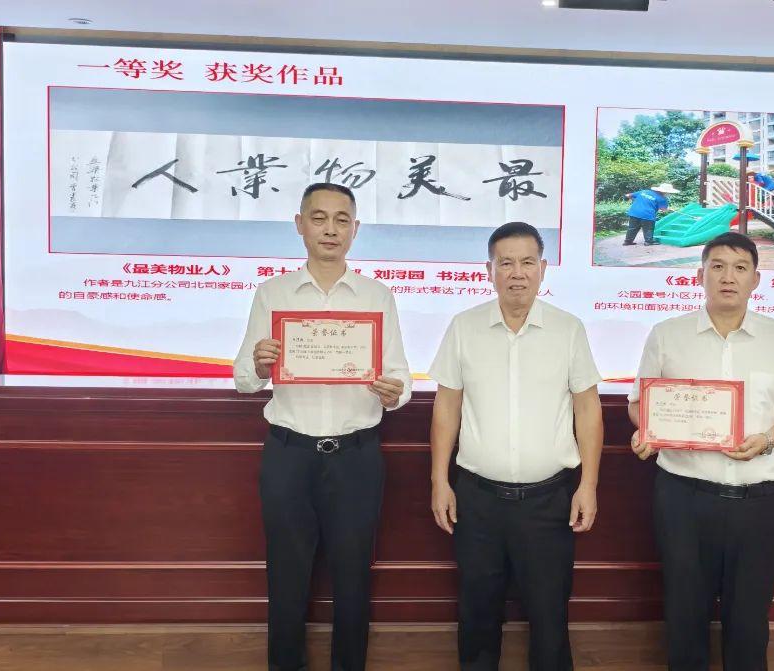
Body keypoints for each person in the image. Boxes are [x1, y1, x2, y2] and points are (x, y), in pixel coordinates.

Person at [234, 182, 412, 671]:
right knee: (286, 577)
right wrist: (259, 363)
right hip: (288, 455)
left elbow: (401, 380)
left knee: (353, 577)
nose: (330, 229)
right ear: (300, 225)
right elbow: (244, 380)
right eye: (319, 218)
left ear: (355, 229)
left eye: (341, 219)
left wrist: (394, 392)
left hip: (356, 456)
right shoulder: (272, 293)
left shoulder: (377, 296)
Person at [628, 231, 774, 671]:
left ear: (756, 279)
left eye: (740, 268)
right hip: (683, 497)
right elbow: (640, 404)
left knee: (749, 619)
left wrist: (767, 440)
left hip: (758, 501)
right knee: (684, 614)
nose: (727, 277)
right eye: (717, 267)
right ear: (700, 275)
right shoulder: (667, 335)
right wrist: (647, 432)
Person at [429, 221, 604, 670]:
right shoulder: (464, 327)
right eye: (505, 263)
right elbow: (447, 407)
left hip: (548, 500)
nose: (517, 273)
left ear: (543, 269)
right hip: (477, 498)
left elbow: (587, 409)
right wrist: (439, 481)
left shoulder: (568, 329)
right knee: (477, 608)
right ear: (489, 270)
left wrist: (588, 485)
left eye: (527, 262)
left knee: (549, 611)